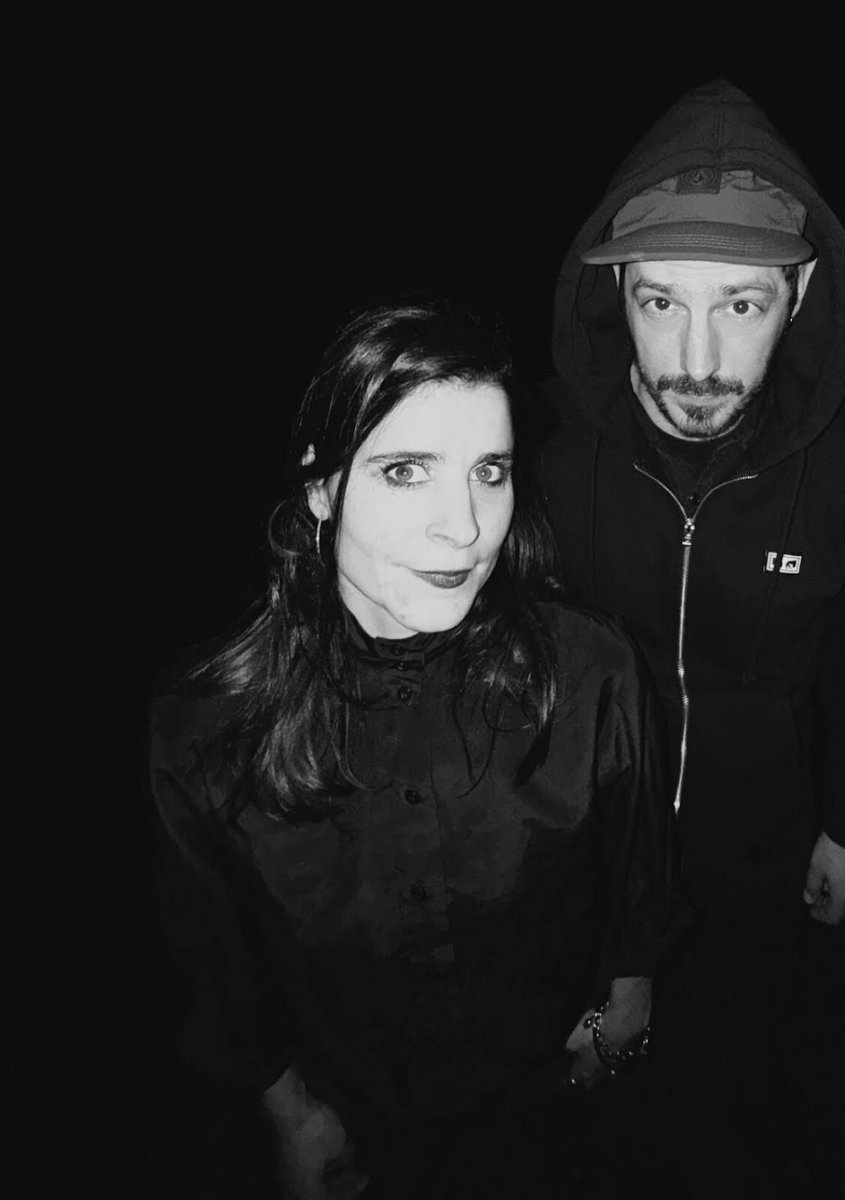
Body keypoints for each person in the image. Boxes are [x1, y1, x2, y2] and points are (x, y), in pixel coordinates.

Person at [149, 300, 685, 1199]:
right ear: (321, 488)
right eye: (406, 471)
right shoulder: (208, 727)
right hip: (361, 1126)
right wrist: (292, 1114)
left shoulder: (590, 670)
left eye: (489, 472)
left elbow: (642, 876)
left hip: (553, 1101)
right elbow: (214, 967)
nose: (465, 527)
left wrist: (623, 1012)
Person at [538, 80, 845, 1191]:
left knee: (744, 1085)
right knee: (588, 1113)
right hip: (583, 848)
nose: (696, 358)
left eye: (740, 304)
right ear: (614, 291)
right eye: (660, 301)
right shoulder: (535, 458)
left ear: (800, 293)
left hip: (763, 844)